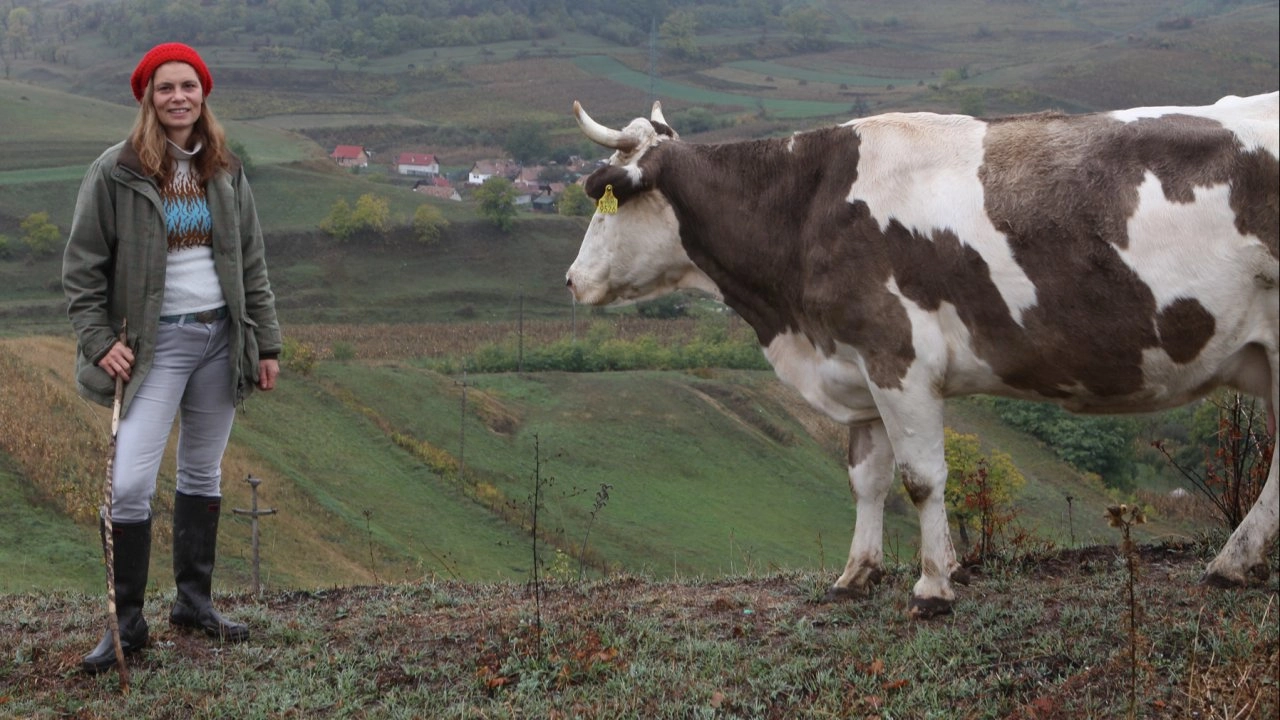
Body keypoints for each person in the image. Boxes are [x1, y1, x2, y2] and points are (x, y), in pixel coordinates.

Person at [62, 42, 282, 674]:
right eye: (165, 88)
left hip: (220, 339)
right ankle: (126, 625)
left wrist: (265, 343)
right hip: (153, 347)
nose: (179, 97)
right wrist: (101, 343)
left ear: (203, 94)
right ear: (147, 99)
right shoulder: (116, 172)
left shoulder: (225, 169)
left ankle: (194, 605)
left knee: (201, 472)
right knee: (130, 481)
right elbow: (81, 270)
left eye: (189, 86)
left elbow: (253, 265)